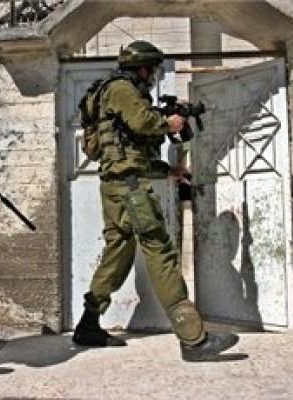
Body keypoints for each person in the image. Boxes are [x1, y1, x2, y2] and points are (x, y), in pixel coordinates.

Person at [72, 40, 239, 362]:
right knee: (160, 250)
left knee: (118, 254)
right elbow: (142, 123)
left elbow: (127, 150)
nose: (153, 77)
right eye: (152, 70)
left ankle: (88, 325)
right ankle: (194, 339)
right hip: (130, 190)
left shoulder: (112, 91)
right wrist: (169, 123)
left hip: (117, 186)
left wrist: (167, 170)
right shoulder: (122, 89)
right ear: (143, 68)